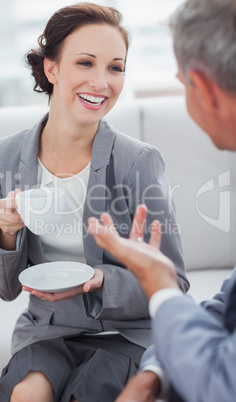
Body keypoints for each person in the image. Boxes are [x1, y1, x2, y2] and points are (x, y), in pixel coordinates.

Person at [0, 3, 188, 402]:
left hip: (128, 333)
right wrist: (5, 235)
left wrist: (101, 280)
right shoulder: (5, 156)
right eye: (85, 63)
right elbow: (3, 289)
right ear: (52, 69)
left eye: (115, 67)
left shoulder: (138, 162)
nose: (101, 82)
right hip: (49, 330)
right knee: (28, 394)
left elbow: (174, 285)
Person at [88, 0, 236, 401]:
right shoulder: (11, 154)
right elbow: (228, 308)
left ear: (204, 89)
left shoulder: (138, 158)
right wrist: (154, 371)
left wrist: (159, 283)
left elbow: (223, 383)